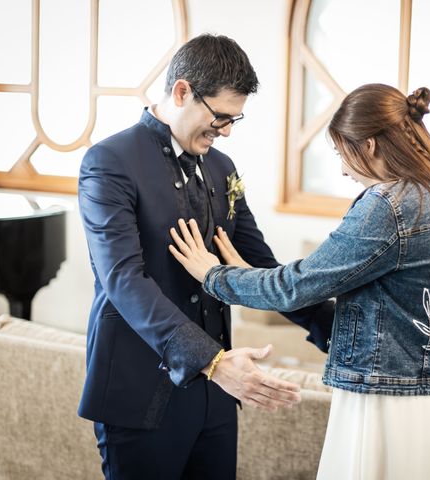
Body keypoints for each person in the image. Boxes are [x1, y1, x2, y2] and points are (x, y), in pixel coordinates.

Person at [169, 83, 430, 479]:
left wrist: (214, 275)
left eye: (343, 153)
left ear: (369, 145)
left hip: (386, 398)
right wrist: (247, 275)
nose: (342, 168)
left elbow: (296, 285)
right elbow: (396, 306)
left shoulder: (388, 205)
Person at [77, 34, 333, 479]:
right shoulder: (109, 162)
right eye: (220, 117)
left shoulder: (221, 168)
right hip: (141, 390)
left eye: (235, 119)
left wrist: (334, 327)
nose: (227, 131)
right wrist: (210, 361)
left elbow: (261, 267)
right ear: (182, 92)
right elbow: (123, 280)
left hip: (216, 397)